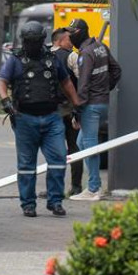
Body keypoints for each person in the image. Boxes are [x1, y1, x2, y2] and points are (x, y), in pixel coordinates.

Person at [0, 21, 80, 218]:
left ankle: (55, 201)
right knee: (26, 165)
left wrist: (77, 105)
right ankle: (28, 204)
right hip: (24, 118)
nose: (32, 44)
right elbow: (2, 81)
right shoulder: (15, 60)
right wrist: (5, 101)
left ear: (42, 40)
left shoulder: (52, 58)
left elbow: (66, 81)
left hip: (52, 117)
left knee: (59, 159)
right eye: (29, 41)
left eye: (35, 41)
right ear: (23, 41)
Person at [67, 18, 121, 202]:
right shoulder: (100, 47)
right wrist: (106, 89)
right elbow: (117, 70)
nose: (70, 35)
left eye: (72, 32)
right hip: (103, 103)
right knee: (83, 144)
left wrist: (77, 110)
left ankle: (93, 189)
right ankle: (94, 184)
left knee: (89, 145)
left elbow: (82, 86)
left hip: (90, 105)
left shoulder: (86, 54)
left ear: (81, 31)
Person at [50, 27, 83, 197]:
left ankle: (54, 189)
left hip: (49, 111)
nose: (72, 43)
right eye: (70, 39)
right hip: (70, 110)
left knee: (53, 150)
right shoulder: (71, 56)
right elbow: (81, 80)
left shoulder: (45, 56)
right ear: (60, 41)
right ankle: (76, 187)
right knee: (74, 147)